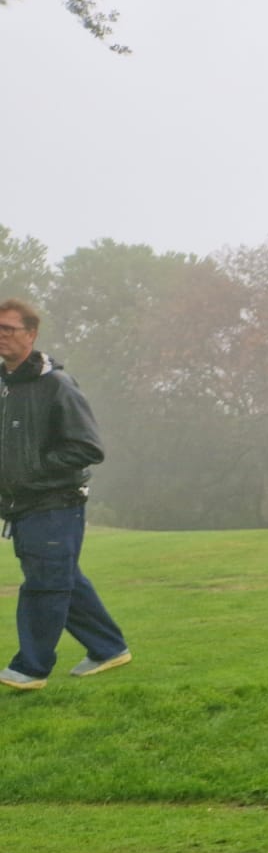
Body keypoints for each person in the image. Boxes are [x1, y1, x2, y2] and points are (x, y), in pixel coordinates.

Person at [0, 296, 132, 692]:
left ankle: (31, 668)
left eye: (8, 330)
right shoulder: (5, 387)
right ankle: (109, 648)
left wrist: (30, 470)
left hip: (57, 503)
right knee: (61, 576)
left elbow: (89, 448)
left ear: (31, 334)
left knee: (45, 581)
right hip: (21, 505)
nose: (1, 337)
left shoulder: (56, 384)